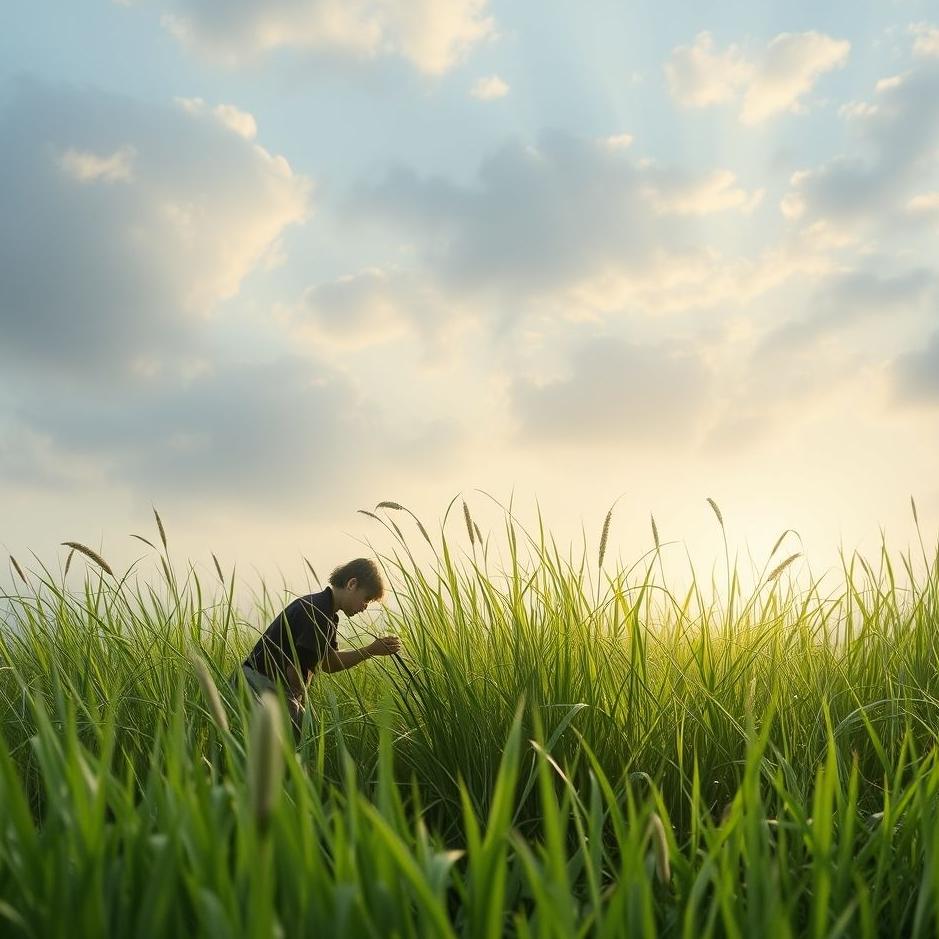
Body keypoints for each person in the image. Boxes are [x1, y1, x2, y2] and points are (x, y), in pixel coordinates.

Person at [237, 557, 401, 741]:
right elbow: (299, 668)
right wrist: (371, 650)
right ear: (352, 584)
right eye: (366, 599)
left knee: (303, 738)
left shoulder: (327, 613)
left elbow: (328, 663)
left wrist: (372, 650)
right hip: (258, 686)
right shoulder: (317, 612)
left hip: (265, 686)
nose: (364, 607)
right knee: (295, 745)